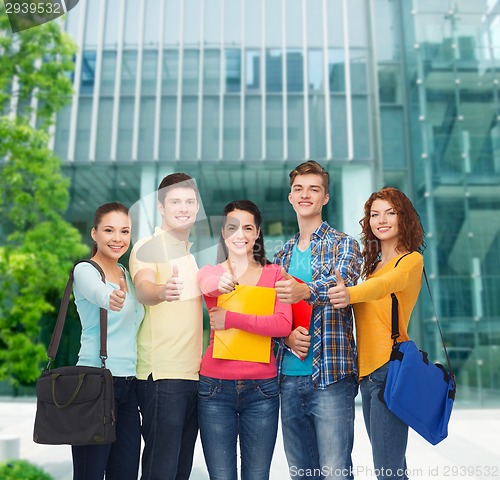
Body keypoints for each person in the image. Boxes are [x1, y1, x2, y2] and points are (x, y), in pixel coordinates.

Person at [328, 187, 425, 480]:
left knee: (388, 470)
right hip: (367, 374)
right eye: (375, 214)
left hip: (389, 370)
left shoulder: (409, 261)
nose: (381, 220)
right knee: (391, 468)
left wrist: (350, 293)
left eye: (390, 213)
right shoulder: (371, 268)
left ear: (403, 218)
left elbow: (385, 286)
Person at [273, 160, 362, 479]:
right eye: (299, 189)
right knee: (301, 474)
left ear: (325, 198)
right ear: (290, 197)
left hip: (332, 376)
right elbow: (270, 312)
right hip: (287, 377)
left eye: (314, 189)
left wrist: (304, 290)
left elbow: (345, 282)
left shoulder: (345, 244)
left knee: (336, 472)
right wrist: (284, 337)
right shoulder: (280, 256)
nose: (305, 194)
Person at [197, 200, 292, 480]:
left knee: (257, 475)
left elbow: (282, 324)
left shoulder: (275, 274)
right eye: (232, 228)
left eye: (248, 227)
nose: (240, 234)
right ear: (224, 234)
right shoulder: (211, 272)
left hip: (261, 390)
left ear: (257, 232)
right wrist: (221, 283)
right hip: (215, 389)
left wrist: (233, 318)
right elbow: (205, 283)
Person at [129, 173, 203, 480]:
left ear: (197, 206)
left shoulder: (192, 255)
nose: (183, 208)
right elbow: (144, 287)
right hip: (162, 376)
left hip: (193, 376)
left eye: (189, 201)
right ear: (161, 207)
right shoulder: (148, 247)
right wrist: (162, 291)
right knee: (160, 471)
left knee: (180, 471)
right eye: (175, 201)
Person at [72, 202, 145, 480]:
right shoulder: (85, 270)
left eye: (124, 231)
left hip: (129, 385)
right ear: (94, 233)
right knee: (90, 473)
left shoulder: (127, 275)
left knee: (125, 473)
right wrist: (111, 298)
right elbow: (99, 293)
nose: (118, 238)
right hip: (95, 383)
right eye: (109, 230)